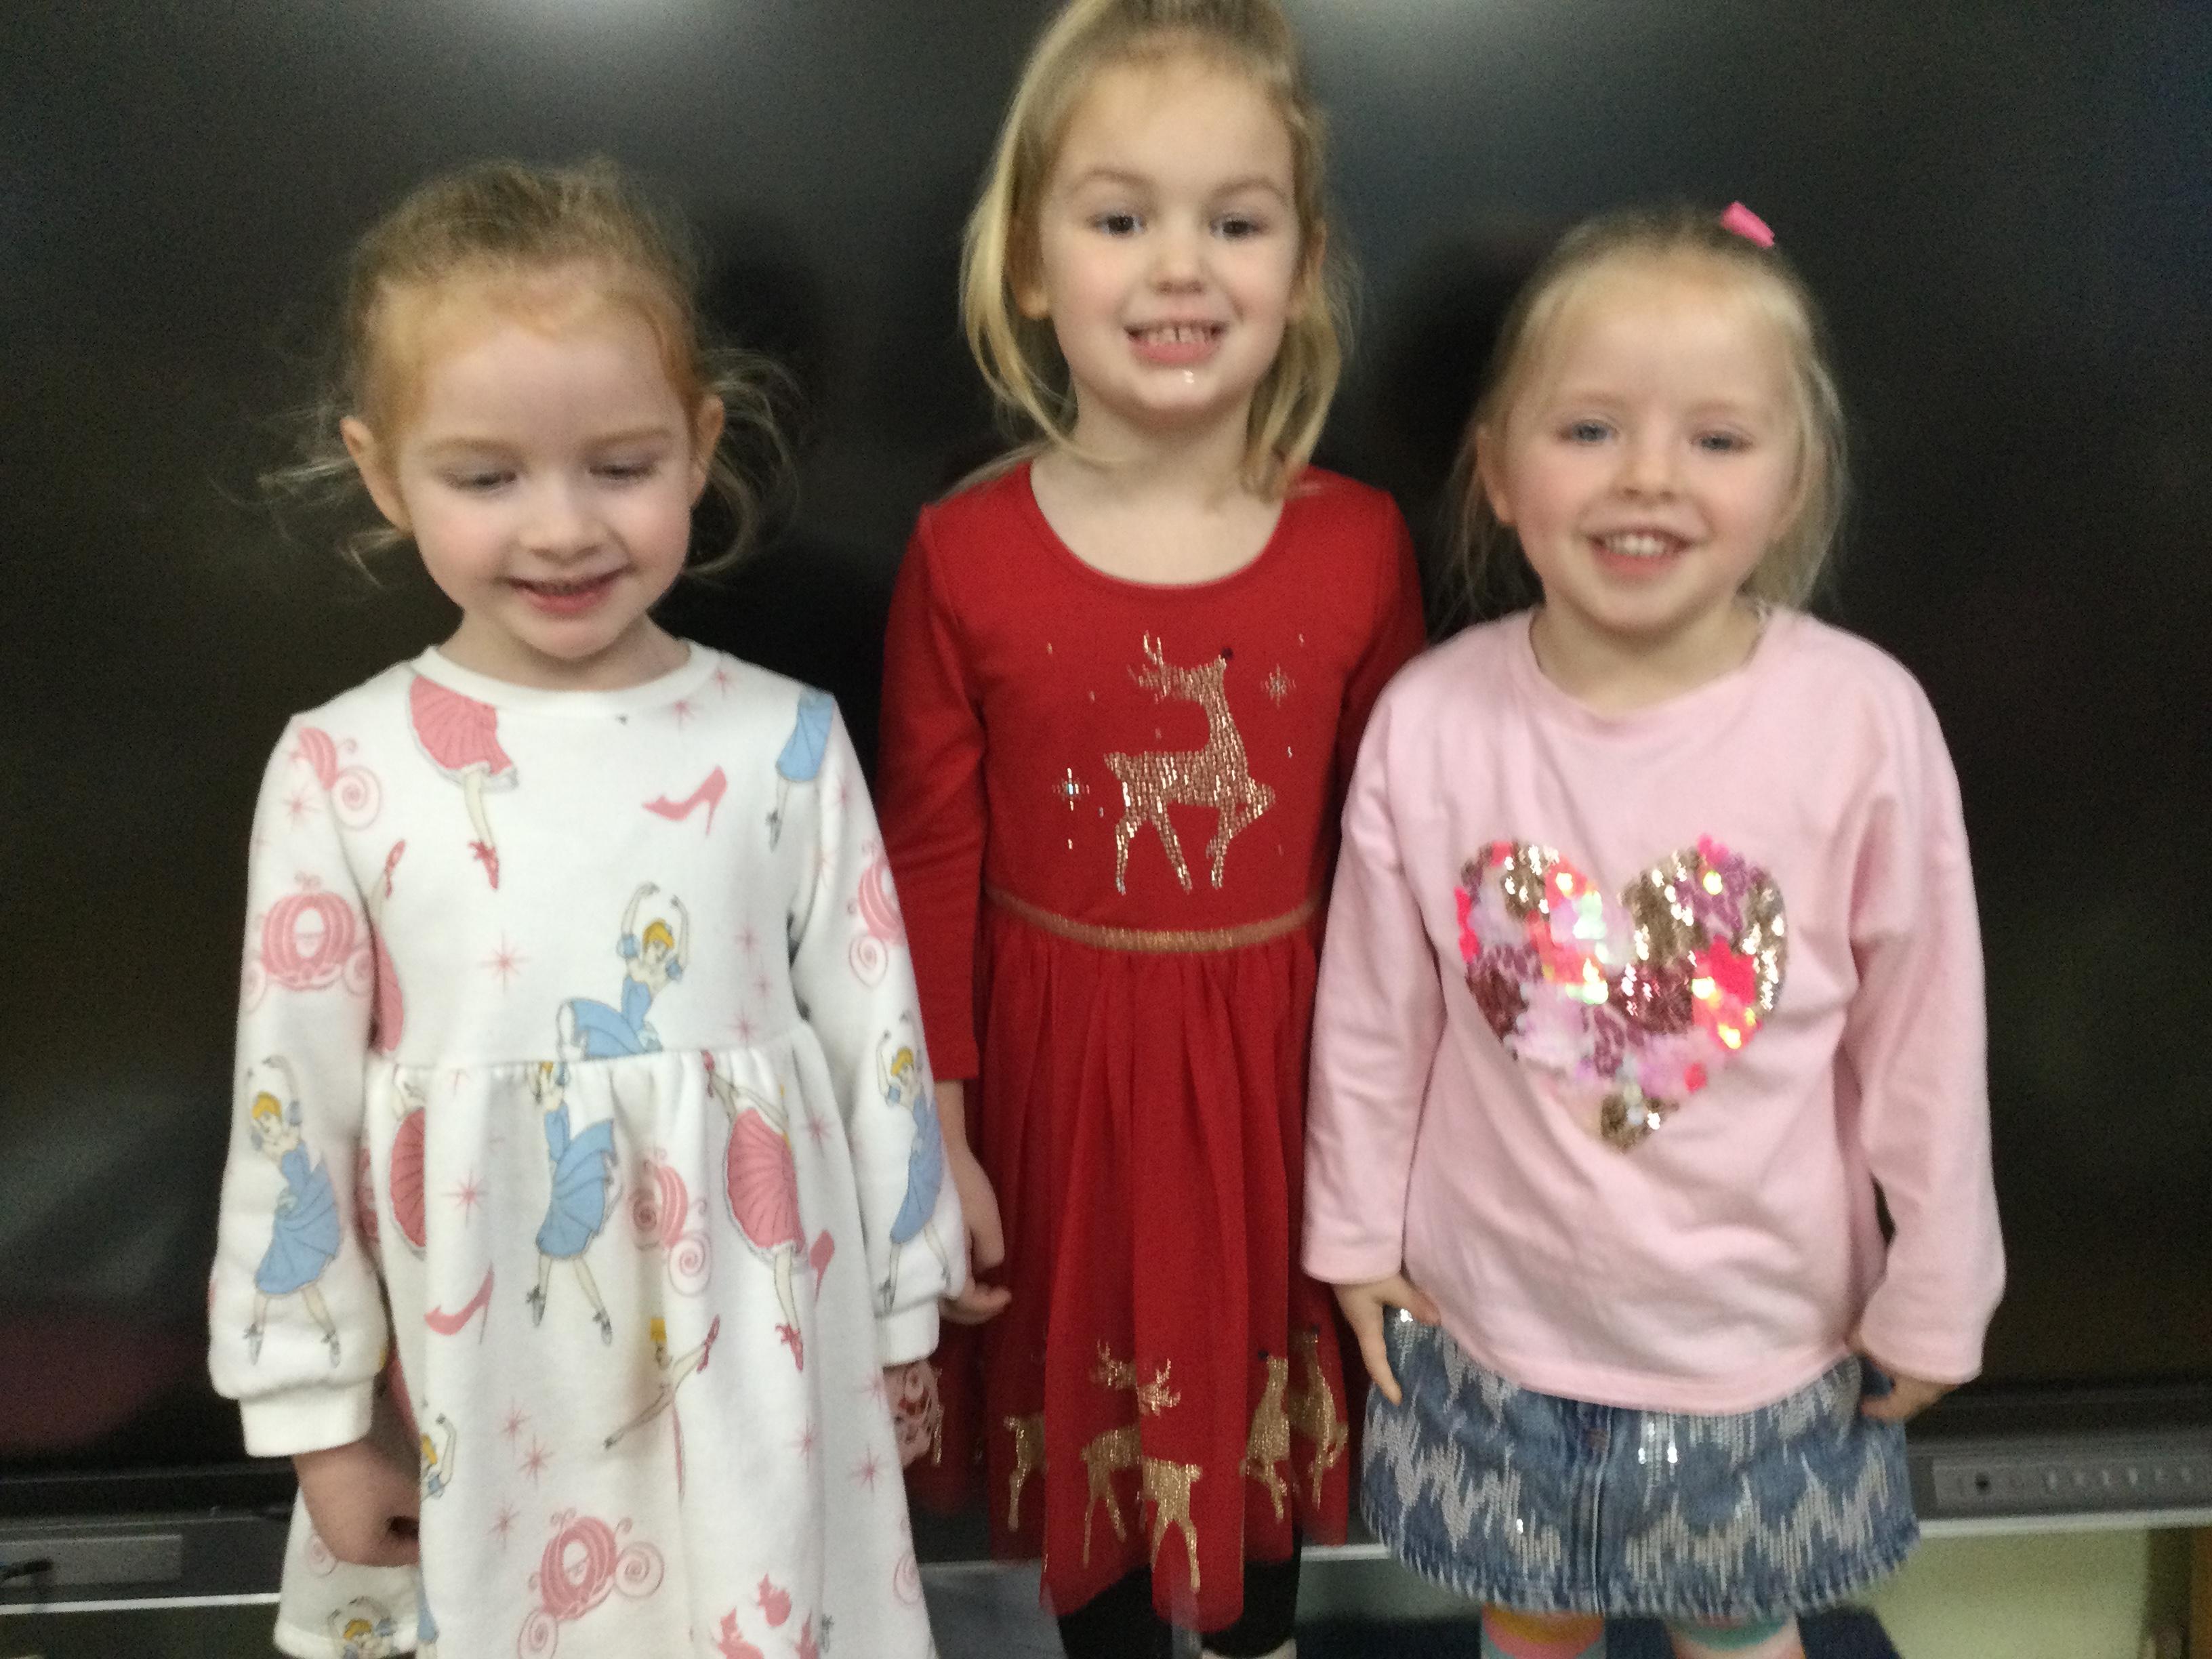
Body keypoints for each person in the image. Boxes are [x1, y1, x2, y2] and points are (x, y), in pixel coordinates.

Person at [209, 159, 962, 1659]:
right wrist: (318, 1424)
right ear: (382, 474)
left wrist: (899, 1324)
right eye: (486, 478)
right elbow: (290, 1119)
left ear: (699, 448)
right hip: (477, 1404)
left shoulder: (786, 740)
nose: (562, 528)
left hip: (763, 1386)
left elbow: (876, 1042)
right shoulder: (339, 771)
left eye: (619, 466)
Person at [1304, 202, 2006, 1659]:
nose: (1648, 478)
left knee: (1741, 1634)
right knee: (1531, 1625)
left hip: (1763, 1352)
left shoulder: (1860, 724)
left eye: (1718, 438)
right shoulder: (1433, 723)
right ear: (1497, 470)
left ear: (1795, 483)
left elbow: (1925, 1038)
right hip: (1494, 1336)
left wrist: (1942, 1280)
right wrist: (1354, 1233)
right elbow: (1374, 1016)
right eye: (1590, 430)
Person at [878, 4, 1426, 1654]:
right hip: (1059, 1102)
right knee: (1100, 1500)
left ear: (1303, 266)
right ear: (1033, 264)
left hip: (1277, 1091)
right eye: (1122, 219)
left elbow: (1398, 870)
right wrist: (939, 1134)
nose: (1180, 267)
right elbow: (927, 863)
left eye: (1235, 223)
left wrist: (1407, 1154)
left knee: (1257, 1494)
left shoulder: (1362, 546)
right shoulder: (962, 554)